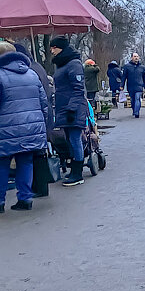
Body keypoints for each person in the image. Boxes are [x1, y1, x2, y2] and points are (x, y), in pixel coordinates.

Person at [0, 42, 48, 213]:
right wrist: (39, 123)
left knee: (0, 163)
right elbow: (43, 102)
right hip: (31, 127)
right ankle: (25, 199)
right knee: (25, 162)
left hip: (5, 128)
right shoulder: (31, 73)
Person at [49, 36, 89, 187]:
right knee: (69, 140)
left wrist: (72, 109)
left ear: (61, 48)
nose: (52, 50)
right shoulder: (62, 64)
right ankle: (74, 170)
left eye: (54, 47)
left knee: (75, 139)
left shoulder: (73, 64)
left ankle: (77, 174)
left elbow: (78, 89)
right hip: (64, 108)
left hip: (72, 109)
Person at [121, 52, 145, 118]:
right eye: (135, 56)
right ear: (131, 58)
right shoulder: (127, 67)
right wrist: (122, 85)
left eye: (137, 56)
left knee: (137, 98)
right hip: (131, 86)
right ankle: (134, 110)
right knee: (132, 100)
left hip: (139, 86)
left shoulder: (142, 67)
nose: (136, 58)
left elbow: (144, 77)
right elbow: (124, 76)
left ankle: (137, 112)